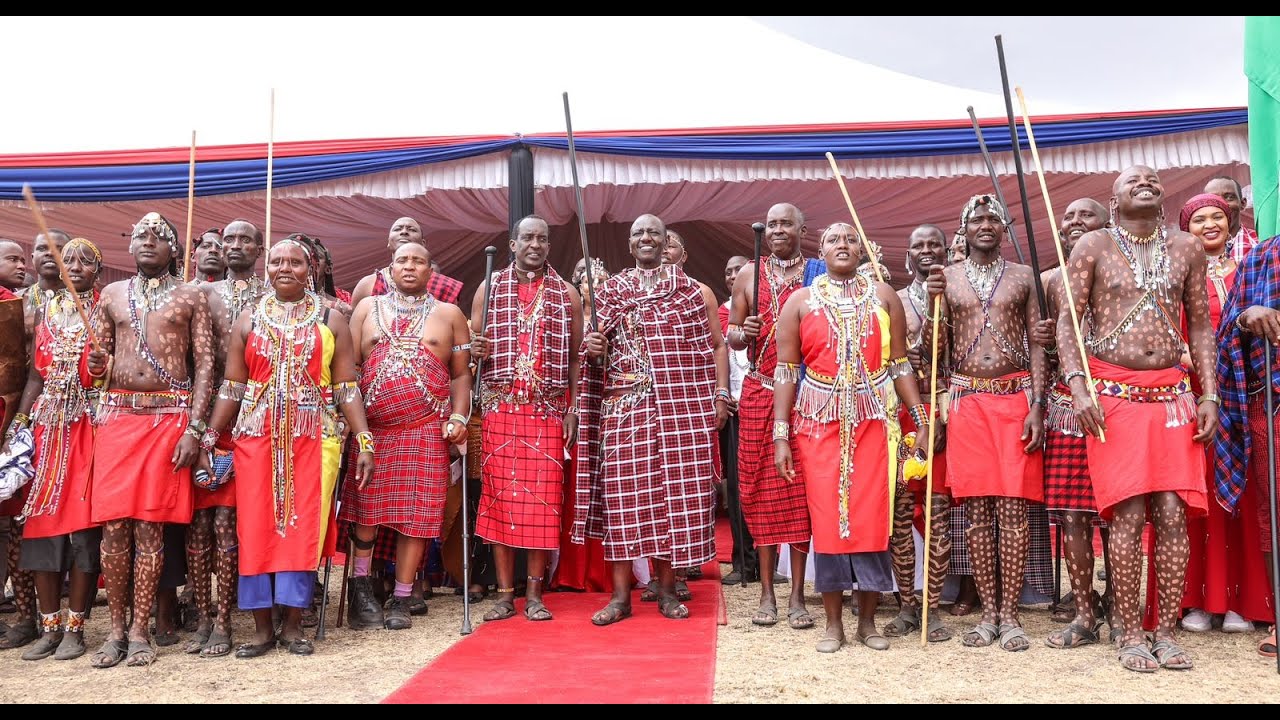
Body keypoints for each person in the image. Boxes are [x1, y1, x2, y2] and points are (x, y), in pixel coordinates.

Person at [1059, 165, 1217, 672]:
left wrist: (1208, 394)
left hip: (1173, 395)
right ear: (1115, 197)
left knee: (1172, 514)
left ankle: (1165, 632)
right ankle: (1129, 632)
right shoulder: (1095, 246)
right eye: (1133, 181)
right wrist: (1078, 387)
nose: (1145, 183)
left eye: (1151, 179)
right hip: (1113, 396)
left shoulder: (1186, 248)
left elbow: (1201, 329)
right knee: (1126, 515)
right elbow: (1068, 322)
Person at [203, 238, 375, 657]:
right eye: (277, 261)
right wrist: (208, 434)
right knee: (256, 528)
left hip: (314, 438)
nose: (284, 268)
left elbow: (346, 386)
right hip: (255, 439)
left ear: (310, 268)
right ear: (267, 268)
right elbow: (232, 386)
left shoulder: (332, 319)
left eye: (294, 262)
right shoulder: (248, 318)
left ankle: (293, 625)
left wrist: (365, 439)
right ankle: (262, 628)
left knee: (303, 529)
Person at [772, 224, 925, 653]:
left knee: (873, 520)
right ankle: (834, 624)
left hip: (875, 421)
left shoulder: (882, 296)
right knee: (829, 522)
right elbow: (785, 370)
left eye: (851, 239)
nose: (843, 245)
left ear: (864, 249)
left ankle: (868, 623)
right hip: (817, 425)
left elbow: (898, 365)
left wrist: (920, 420)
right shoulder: (799, 303)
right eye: (834, 240)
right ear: (819, 251)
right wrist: (780, 435)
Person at [575, 213, 727, 625]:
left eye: (654, 233)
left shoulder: (690, 292)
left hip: (677, 407)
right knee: (623, 502)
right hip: (623, 408)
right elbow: (596, 356)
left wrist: (717, 396)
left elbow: (711, 347)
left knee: (667, 500)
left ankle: (665, 590)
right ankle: (621, 598)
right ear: (629, 245)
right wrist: (593, 347)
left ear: (666, 242)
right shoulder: (610, 291)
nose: (646, 238)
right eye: (638, 233)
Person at [86, 212, 215, 668]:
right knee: (113, 528)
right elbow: (93, 368)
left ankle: (141, 631)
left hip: (167, 422)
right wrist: (97, 366)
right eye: (139, 235)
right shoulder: (111, 295)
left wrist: (194, 431)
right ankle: (116, 629)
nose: (146, 241)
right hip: (119, 419)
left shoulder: (192, 295)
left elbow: (204, 367)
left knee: (149, 528)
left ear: (175, 250)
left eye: (157, 236)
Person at [927, 195, 1046, 653]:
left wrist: (1037, 403)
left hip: (1015, 398)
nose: (985, 224)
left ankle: (1012, 616)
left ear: (1004, 227)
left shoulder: (1024, 276)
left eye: (993, 218)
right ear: (963, 228)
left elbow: (1039, 344)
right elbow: (933, 350)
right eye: (976, 218)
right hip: (966, 402)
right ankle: (988, 615)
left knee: (1014, 513)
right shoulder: (947, 279)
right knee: (977, 515)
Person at [341, 242, 470, 630]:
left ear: (432, 270)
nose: (410, 266)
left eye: (418, 261)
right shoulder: (367, 309)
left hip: (425, 431)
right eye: (402, 261)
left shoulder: (450, 315)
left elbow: (461, 374)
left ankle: (401, 596)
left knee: (415, 518)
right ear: (390, 268)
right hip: (372, 432)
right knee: (365, 513)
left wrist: (460, 414)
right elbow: (348, 371)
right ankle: (361, 590)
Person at [1157, 194, 1270, 635]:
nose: (1209, 225)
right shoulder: (1172, 274)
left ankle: (1242, 600)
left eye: (1217, 218)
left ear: (1231, 223)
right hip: (1191, 396)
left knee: (1242, 495)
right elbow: (1165, 333)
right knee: (1192, 500)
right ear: (1187, 228)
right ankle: (1196, 602)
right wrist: (1195, 361)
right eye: (1199, 218)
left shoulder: (1248, 271)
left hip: (1240, 394)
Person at [471, 215, 582, 622]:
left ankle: (535, 594)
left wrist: (572, 407)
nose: (535, 244)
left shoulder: (566, 293)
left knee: (543, 505)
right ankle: (504, 595)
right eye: (528, 238)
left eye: (543, 239)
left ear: (549, 246)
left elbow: (575, 360)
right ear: (512, 244)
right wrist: (476, 348)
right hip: (501, 408)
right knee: (500, 502)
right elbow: (473, 349)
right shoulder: (490, 286)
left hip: (548, 410)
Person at [727, 203, 822, 630]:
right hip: (760, 394)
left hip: (808, 398)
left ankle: (798, 595)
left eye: (787, 223)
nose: (779, 230)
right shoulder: (748, 274)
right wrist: (741, 332)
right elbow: (730, 335)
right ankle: (767, 593)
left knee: (800, 496)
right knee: (759, 493)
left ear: (803, 229)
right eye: (774, 224)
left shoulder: (819, 275)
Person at [8, 238, 103, 661]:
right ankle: (49, 626)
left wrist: (102, 368)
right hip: (48, 433)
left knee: (82, 531)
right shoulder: (47, 311)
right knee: (42, 528)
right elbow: (34, 377)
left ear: (98, 271)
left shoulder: (107, 310)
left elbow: (110, 375)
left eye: (86, 261)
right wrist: (20, 425)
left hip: (89, 430)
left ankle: (76, 628)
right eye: (69, 261)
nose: (76, 267)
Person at [1029, 198, 1117, 648]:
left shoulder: (1124, 269)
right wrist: (1040, 405)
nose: (1076, 223)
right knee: (1071, 513)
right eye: (1069, 217)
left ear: (1108, 224)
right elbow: (1041, 352)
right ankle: (1085, 612)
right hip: (1066, 404)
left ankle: (1119, 604)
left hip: (1119, 401)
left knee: (1119, 510)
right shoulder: (1048, 281)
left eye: (1088, 216)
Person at [181, 219, 266, 657]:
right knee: (197, 523)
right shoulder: (197, 295)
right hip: (202, 417)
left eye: (244, 239)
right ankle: (200, 611)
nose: (234, 246)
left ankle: (224, 620)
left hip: (251, 420)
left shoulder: (272, 297)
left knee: (227, 523)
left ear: (259, 247)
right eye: (227, 239)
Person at [884, 224, 953, 642]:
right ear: (906, 254)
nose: (926, 250)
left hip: (940, 408)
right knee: (900, 512)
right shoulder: (891, 298)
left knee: (938, 512)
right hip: (898, 414)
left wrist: (941, 418)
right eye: (918, 245)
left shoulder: (957, 294)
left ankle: (934, 607)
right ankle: (907, 606)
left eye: (934, 244)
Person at [1217, 219, 1280, 659]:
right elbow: (1224, 333)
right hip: (1269, 404)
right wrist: (1245, 316)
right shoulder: (1259, 258)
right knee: (1273, 513)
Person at [0, 239, 35, 650]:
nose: (22, 264)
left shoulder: (21, 307)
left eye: (23, 259)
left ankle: (25, 615)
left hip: (12, 422)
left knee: (14, 522)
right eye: (12, 258)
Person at [718, 254, 756, 585]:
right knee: (736, 489)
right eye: (728, 271)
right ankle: (742, 561)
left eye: (739, 270)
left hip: (764, 406)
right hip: (733, 411)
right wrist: (721, 394)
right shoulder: (719, 313)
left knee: (764, 486)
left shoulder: (766, 309)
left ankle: (768, 561)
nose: (733, 276)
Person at [350, 217, 463, 309]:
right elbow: (353, 333)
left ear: (423, 243)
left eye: (412, 230)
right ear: (388, 242)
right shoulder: (367, 284)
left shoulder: (445, 286)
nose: (404, 232)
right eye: (398, 229)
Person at [1204, 176, 1258, 263]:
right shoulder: (1194, 250)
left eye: (1229, 197)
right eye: (1213, 199)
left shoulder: (1260, 243)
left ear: (1243, 203)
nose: (1222, 204)